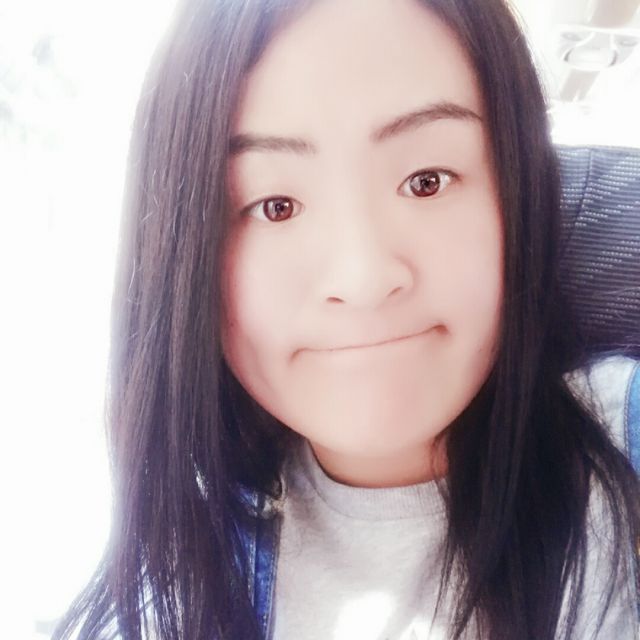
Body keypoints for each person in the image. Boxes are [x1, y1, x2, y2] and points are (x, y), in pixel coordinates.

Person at [53, 0, 640, 638]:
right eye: (275, 206)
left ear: (518, 190)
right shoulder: (164, 597)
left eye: (427, 180)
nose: (363, 279)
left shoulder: (621, 450)